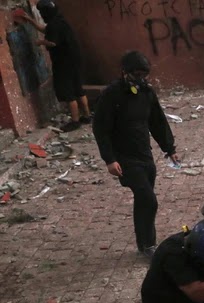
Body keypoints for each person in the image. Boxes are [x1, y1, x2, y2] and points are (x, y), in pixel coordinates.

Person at [93, 51, 178, 259]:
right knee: (148, 199)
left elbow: (157, 122)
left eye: (143, 75)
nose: (140, 79)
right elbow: (101, 129)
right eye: (136, 75)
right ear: (125, 72)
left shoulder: (146, 93)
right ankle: (149, 244)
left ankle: (143, 243)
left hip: (144, 155)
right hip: (124, 158)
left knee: (143, 200)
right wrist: (110, 159)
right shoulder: (111, 95)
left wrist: (169, 149)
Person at [16, 0, 91, 132]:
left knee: (68, 92)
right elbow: (45, 29)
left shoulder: (54, 25)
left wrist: (41, 42)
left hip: (64, 63)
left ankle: (75, 121)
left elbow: (53, 42)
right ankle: (86, 115)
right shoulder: (60, 20)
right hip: (74, 60)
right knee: (78, 89)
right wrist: (30, 20)